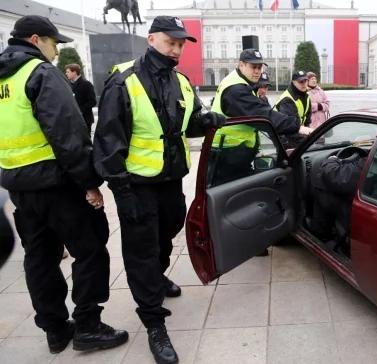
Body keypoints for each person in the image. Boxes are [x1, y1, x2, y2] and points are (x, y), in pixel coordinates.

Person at [93, 16, 223, 364]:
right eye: (171, 42)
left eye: (181, 44)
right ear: (151, 39)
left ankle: (155, 277)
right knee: (141, 251)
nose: (177, 49)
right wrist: (121, 194)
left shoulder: (181, 81)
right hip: (136, 185)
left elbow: (188, 124)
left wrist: (206, 120)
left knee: (166, 235)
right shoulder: (124, 81)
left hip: (170, 182)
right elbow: (107, 142)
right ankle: (153, 323)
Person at [0, 15, 128, 354]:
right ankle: (88, 325)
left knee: (39, 257)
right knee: (89, 249)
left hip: (20, 188)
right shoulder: (40, 73)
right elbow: (69, 135)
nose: (56, 52)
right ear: (36, 39)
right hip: (58, 185)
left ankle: (56, 330)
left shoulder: (3, 79)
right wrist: (89, 183)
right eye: (54, 43)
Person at [209, 49, 307, 184]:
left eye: (259, 67)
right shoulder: (236, 89)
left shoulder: (240, 82)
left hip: (234, 153)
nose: (257, 71)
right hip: (227, 155)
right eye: (253, 67)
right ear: (241, 65)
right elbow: (262, 114)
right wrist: (296, 127)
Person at [273, 70, 312, 149]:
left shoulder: (306, 96)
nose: (304, 84)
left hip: (298, 134)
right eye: (301, 81)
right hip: (285, 139)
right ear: (293, 82)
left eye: (305, 81)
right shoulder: (287, 100)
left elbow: (307, 119)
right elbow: (290, 126)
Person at [65, 63, 97, 134]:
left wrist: (79, 110)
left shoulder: (86, 84)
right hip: (72, 120)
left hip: (85, 119)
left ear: (74, 72)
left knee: (85, 142)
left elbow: (93, 101)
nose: (66, 74)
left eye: (68, 72)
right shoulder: (68, 85)